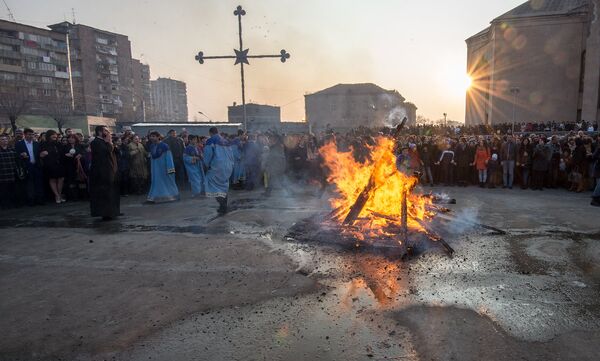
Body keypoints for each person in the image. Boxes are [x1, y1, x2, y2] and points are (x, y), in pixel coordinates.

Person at [89, 125, 121, 220]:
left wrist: (110, 142)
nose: (108, 133)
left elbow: (117, 152)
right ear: (100, 132)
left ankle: (113, 211)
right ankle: (106, 213)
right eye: (106, 131)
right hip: (102, 173)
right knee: (105, 194)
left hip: (111, 171)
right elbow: (105, 153)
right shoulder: (96, 142)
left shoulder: (106, 142)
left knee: (112, 192)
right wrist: (108, 143)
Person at [203, 127, 234, 214]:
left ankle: (222, 205)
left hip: (217, 167)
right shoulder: (226, 141)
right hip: (228, 167)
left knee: (214, 186)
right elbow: (232, 155)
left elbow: (208, 155)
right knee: (224, 185)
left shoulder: (210, 141)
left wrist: (206, 165)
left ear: (210, 133)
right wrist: (231, 165)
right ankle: (223, 206)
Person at [147, 131, 179, 203]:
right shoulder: (152, 146)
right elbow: (152, 157)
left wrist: (170, 170)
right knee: (156, 181)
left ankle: (169, 196)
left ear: (158, 137)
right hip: (155, 169)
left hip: (164, 169)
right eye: (151, 136)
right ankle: (155, 196)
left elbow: (169, 159)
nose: (151, 138)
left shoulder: (164, 146)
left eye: (153, 136)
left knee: (166, 181)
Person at [15, 128, 44, 205]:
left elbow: (39, 154)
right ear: (24, 134)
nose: (31, 136)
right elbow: (16, 155)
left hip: (36, 166)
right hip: (26, 166)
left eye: (32, 134)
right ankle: (31, 200)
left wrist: (41, 155)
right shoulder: (19, 144)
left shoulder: (36, 144)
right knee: (29, 184)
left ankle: (39, 199)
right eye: (29, 134)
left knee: (38, 183)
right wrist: (21, 155)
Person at [40, 130, 66, 204]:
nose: (55, 136)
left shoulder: (58, 143)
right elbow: (41, 154)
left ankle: (60, 194)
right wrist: (42, 154)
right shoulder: (44, 144)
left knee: (61, 179)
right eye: (52, 135)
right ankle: (57, 195)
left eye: (55, 135)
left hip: (59, 164)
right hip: (49, 164)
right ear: (49, 136)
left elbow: (62, 153)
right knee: (53, 179)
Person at [62, 133, 86, 200]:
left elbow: (84, 154)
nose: (70, 139)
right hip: (70, 166)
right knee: (72, 181)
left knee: (81, 180)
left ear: (75, 139)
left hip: (79, 165)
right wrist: (66, 155)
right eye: (69, 138)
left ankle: (83, 195)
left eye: (72, 138)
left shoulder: (81, 146)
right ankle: (73, 196)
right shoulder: (65, 147)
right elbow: (61, 156)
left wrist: (81, 155)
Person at [0, 133, 18, 209]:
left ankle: (12, 204)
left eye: (6, 139)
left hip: (11, 174)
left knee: (12, 191)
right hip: (2, 175)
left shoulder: (12, 150)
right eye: (2, 139)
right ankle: (4, 205)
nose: (5, 141)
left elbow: (16, 160)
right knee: (3, 191)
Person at [591, 135, 600, 207]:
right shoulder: (599, 148)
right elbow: (593, 156)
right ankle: (594, 198)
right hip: (598, 168)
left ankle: (596, 199)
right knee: (599, 184)